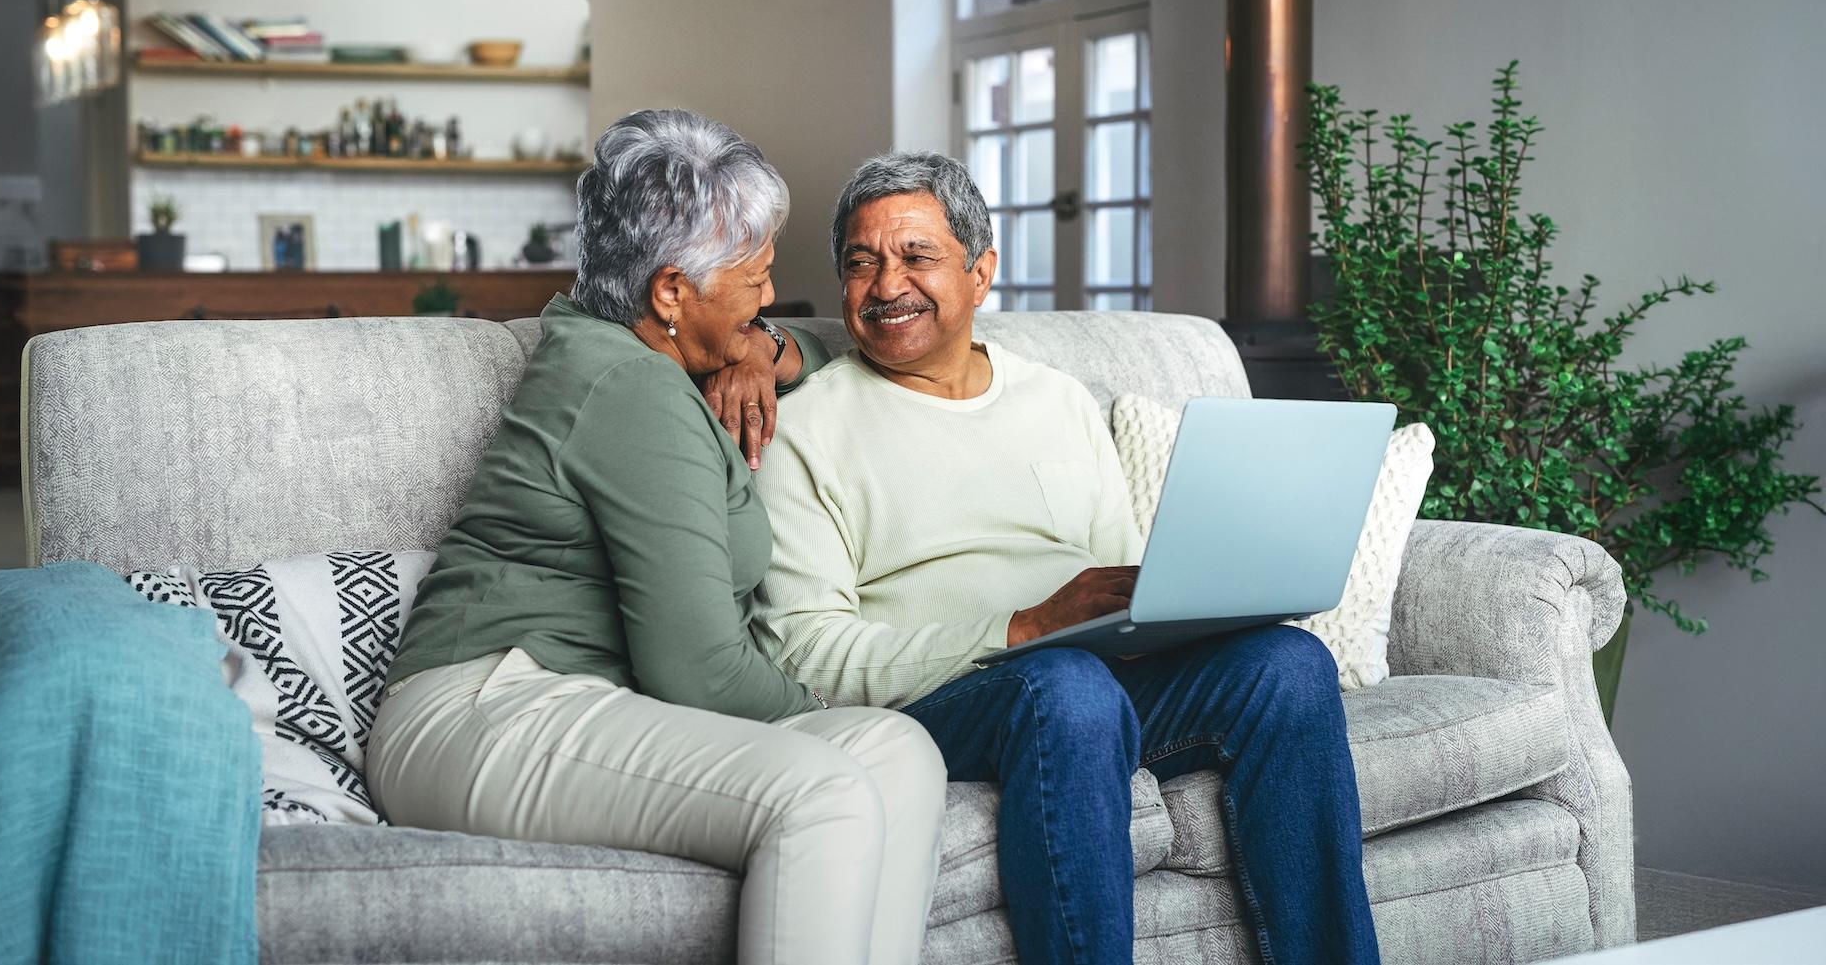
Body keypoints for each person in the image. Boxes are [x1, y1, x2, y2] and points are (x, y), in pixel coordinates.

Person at [750, 151, 1383, 965]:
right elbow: (805, 655)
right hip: (942, 702)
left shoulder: (1057, 400)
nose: (886, 284)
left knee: (1289, 664)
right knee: (1067, 684)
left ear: (981, 272)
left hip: (1087, 682)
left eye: (916, 256)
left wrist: (1198, 606)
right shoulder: (804, 429)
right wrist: (1023, 627)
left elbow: (1119, 588)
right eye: (860, 262)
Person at [367, 111, 949, 965]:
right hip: (482, 709)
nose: (768, 296)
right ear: (671, 292)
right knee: (824, 789)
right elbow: (698, 670)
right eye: (755, 277)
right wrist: (819, 711)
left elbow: (833, 351)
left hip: (571, 701)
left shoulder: (642, 350)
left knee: (898, 751)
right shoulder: (631, 388)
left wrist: (763, 349)